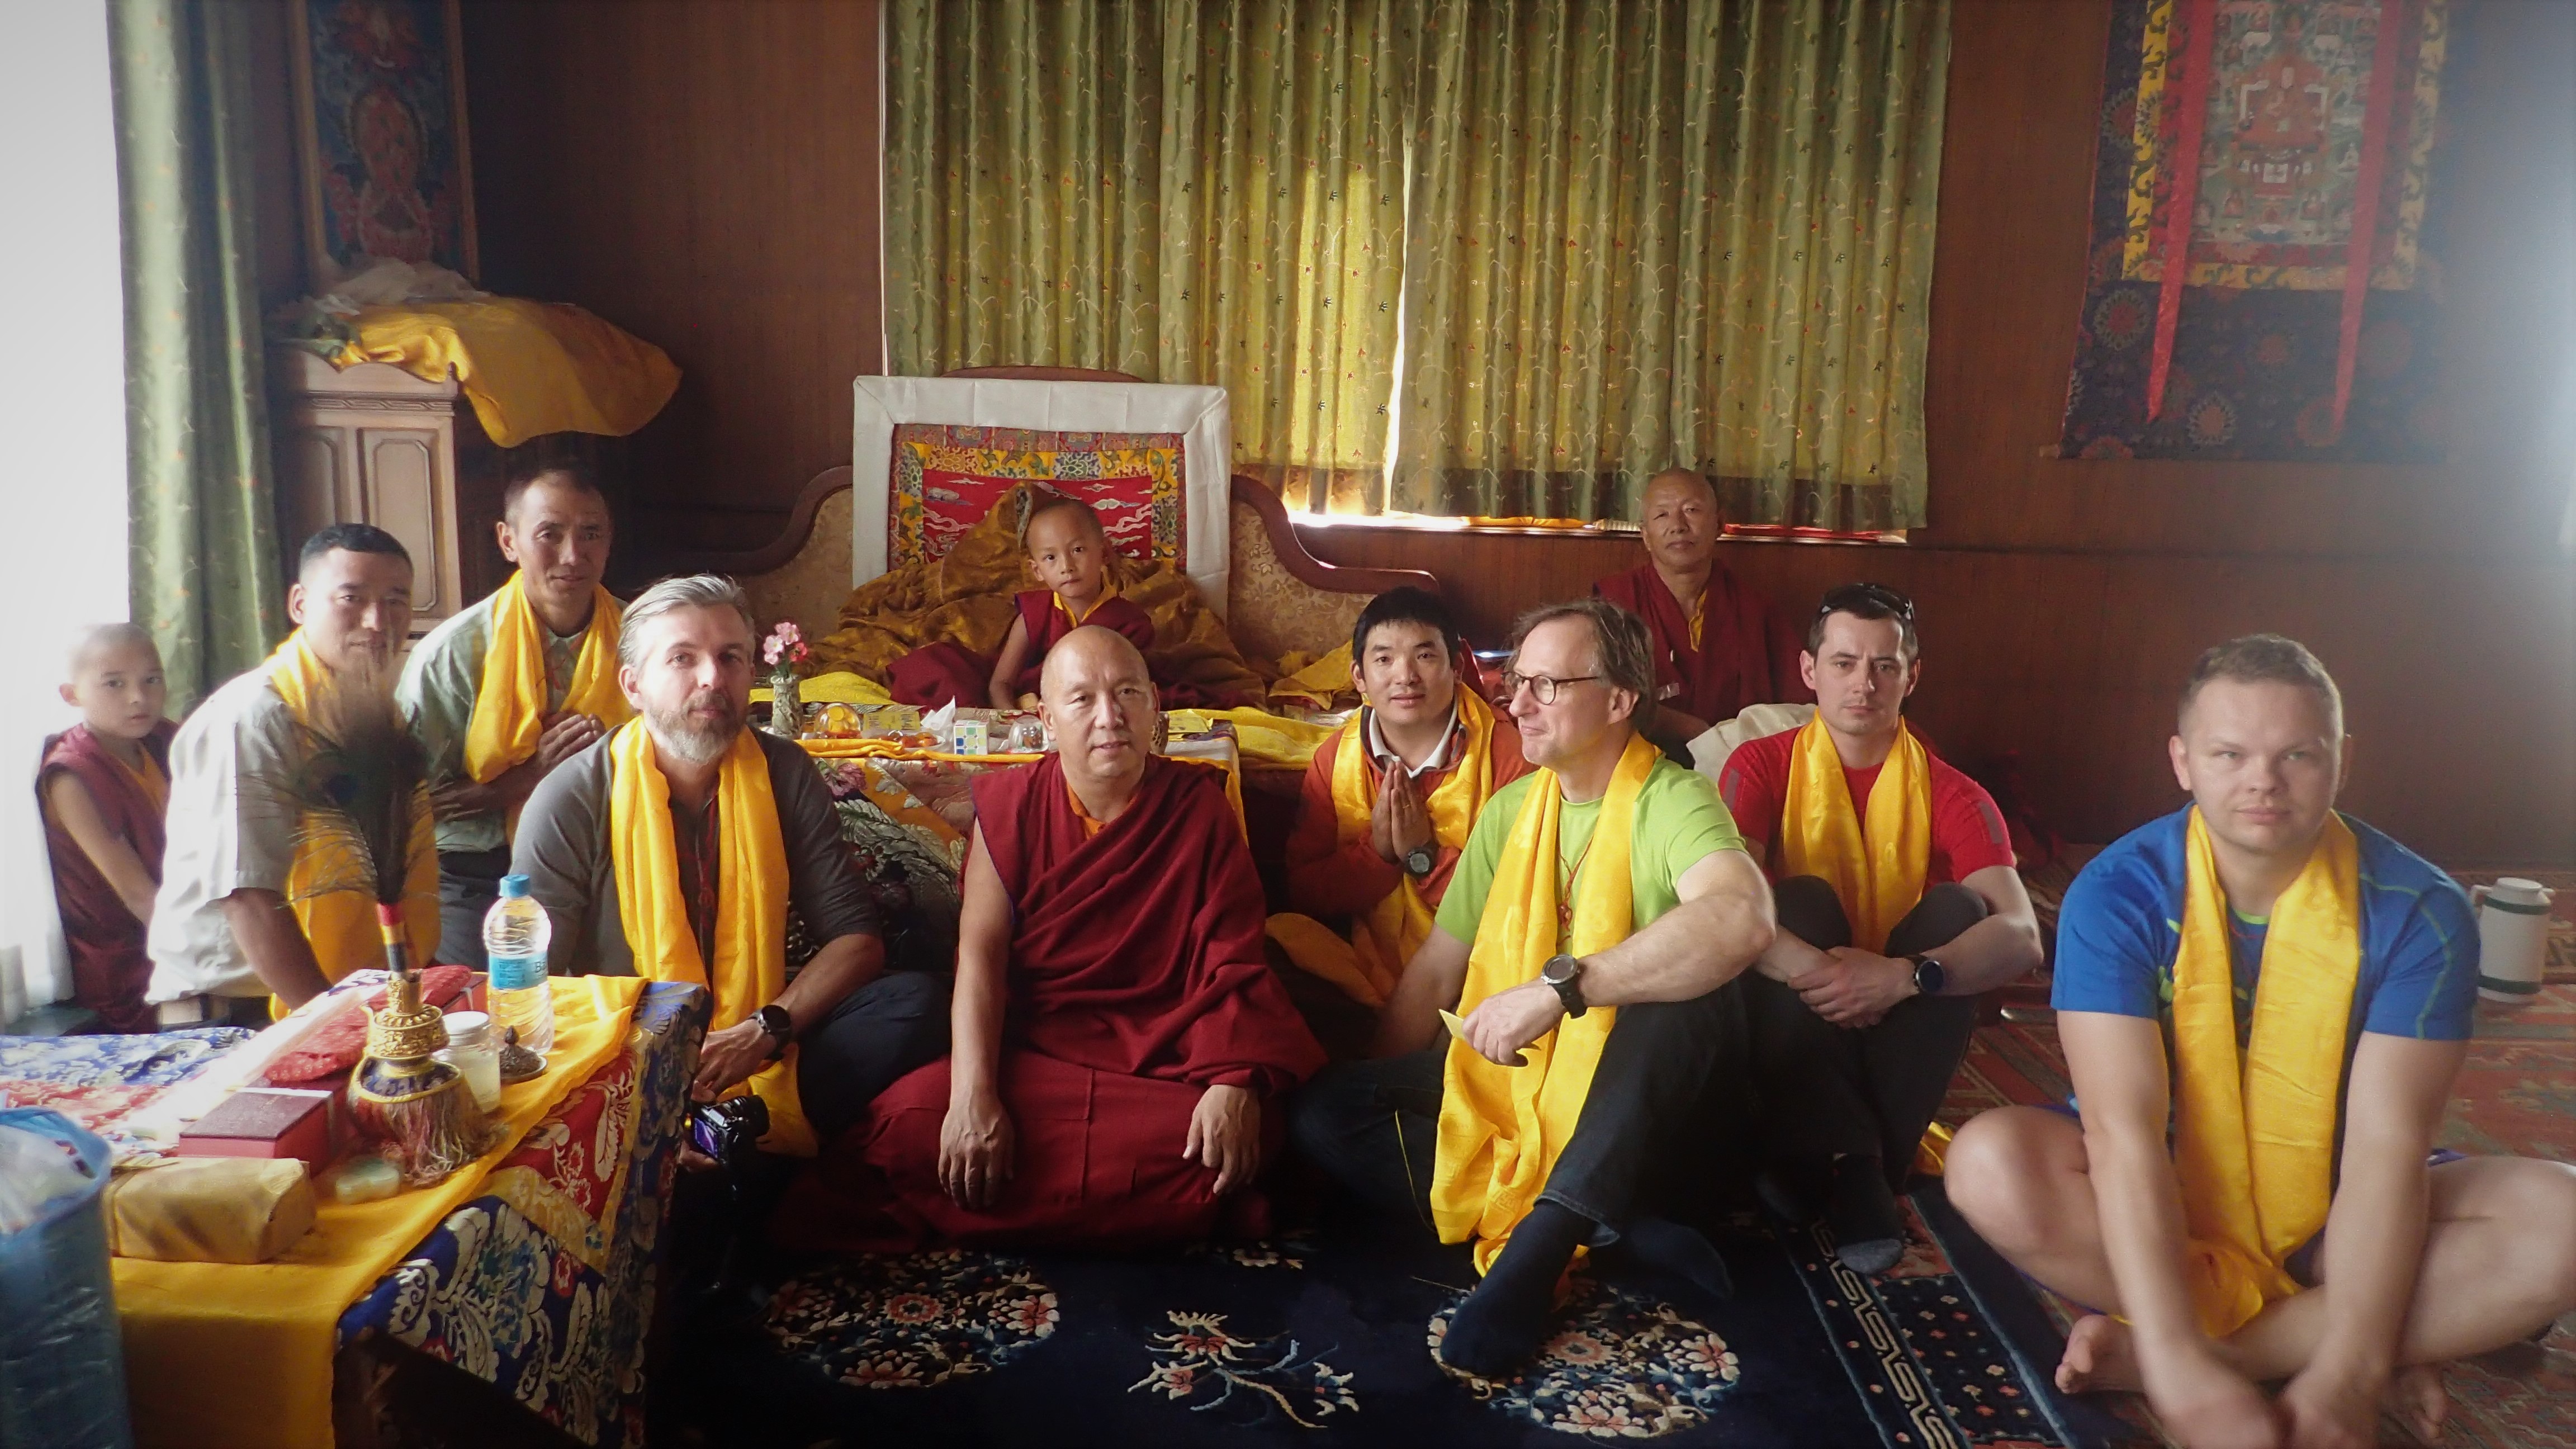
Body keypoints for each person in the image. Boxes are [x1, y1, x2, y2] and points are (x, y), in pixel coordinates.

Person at [1943, 636, 2576, 1449]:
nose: (2263, 782)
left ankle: (2246, 1351)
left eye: (2297, 755)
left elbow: (2386, 1151)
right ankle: (2374, 1331)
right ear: (2183, 762)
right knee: (1988, 1164)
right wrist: (2178, 1367)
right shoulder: (2121, 892)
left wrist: (2349, 1373)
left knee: (2563, 1222)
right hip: (2168, 1187)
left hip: (2337, 1207)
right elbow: (2123, 1134)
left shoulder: (2419, 909)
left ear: (2343, 761)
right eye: (2230, 753)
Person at [1291, 598, 1777, 1377]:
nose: (1517, 705)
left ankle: (1542, 1246)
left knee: (1687, 996)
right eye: (1517, 683)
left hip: (1650, 1116)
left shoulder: (1673, 800)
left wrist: (1564, 991)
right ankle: (1614, 1228)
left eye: (1546, 686)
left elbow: (1742, 917)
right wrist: (1380, 1091)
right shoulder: (1511, 811)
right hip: (1530, 1091)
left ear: (1619, 700)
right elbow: (1439, 969)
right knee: (1325, 1110)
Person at [834, 626, 1325, 1248]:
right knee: (905, 1124)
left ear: (1154, 705)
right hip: (1038, 1049)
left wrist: (1231, 1083)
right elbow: (980, 959)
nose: (1109, 717)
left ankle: (1006, 1209)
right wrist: (973, 1097)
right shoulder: (1012, 806)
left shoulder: (1197, 809)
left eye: (1127, 693)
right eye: (1083, 699)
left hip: (1162, 1061)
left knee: (1239, 1133)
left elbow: (1233, 957)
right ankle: (1156, 1212)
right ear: (1046, 719)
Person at [512, 574, 947, 1157]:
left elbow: (856, 940)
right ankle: (712, 1141)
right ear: (633, 685)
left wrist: (762, 1031)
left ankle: (734, 1132)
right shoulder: (572, 797)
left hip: (759, 1040)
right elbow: (536, 990)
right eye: (683, 659)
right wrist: (646, 1087)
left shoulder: (784, 772)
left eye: (730, 657)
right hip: (624, 1056)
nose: (712, 678)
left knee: (917, 1004)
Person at [1718, 582, 2042, 1272]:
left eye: (1884, 666)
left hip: (1901, 1012)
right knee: (1794, 901)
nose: (1863, 684)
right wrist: (1832, 977)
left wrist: (1904, 977)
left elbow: (2022, 935)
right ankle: (1864, 1169)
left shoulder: (1955, 792)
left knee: (1962, 913)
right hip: (1798, 1007)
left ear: (1911, 677)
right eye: (1844, 663)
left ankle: (1820, 1157)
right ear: (1810, 671)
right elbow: (1725, 908)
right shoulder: (1760, 765)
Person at [146, 524, 441, 1021]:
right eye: (351, 598)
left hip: (344, 992)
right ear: (300, 604)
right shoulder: (256, 717)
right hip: (244, 1009)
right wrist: (334, 1029)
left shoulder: (372, 712)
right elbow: (248, 898)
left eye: (396, 601)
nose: (377, 622)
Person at [399, 460, 629, 967]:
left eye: (591, 534)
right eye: (550, 534)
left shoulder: (641, 639)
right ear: (509, 541)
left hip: (611, 857)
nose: (573, 555)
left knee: (624, 994)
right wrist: (531, 776)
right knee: (491, 1002)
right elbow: (410, 804)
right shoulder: (453, 655)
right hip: (478, 871)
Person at [1269, 588, 1531, 1016]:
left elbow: (1521, 904)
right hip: (1362, 963)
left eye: (1424, 656)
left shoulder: (1508, 755)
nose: (1405, 676)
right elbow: (1305, 891)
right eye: (1384, 659)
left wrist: (1424, 857)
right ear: (1359, 677)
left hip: (1476, 972)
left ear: (1456, 667)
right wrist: (1379, 854)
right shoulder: (1335, 759)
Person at [1592, 468, 1803, 759]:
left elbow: (1795, 707)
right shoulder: (1613, 605)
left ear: (1719, 524)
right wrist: (1693, 730)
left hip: (1735, 765)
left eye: (1691, 510)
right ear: (1646, 536)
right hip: (1639, 767)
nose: (1678, 526)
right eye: (1662, 515)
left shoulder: (1756, 610)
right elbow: (1596, 698)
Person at [887, 492, 1165, 710]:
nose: (1067, 566)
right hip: (1027, 705)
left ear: (1104, 553)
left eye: (1078, 550)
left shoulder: (1130, 622)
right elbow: (1000, 683)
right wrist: (1013, 720)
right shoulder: (1035, 614)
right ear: (1037, 570)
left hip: (1092, 709)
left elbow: (1127, 689)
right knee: (938, 669)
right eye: (1051, 558)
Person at [38, 624, 175, 1031]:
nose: (138, 698)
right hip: (131, 963)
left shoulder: (166, 740)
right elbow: (138, 896)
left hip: (184, 922)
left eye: (151, 680)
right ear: (72, 695)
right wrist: (217, 959)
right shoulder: (73, 775)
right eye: (114, 684)